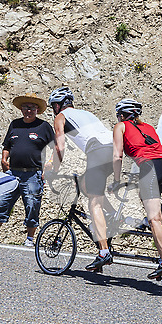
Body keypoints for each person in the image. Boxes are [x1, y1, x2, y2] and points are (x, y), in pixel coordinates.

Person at [48, 87, 115, 272]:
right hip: (113, 150)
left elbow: (59, 146)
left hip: (97, 150)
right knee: (87, 185)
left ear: (57, 105)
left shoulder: (60, 117)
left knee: (93, 204)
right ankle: (110, 213)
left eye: (53, 106)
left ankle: (103, 252)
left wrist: (54, 169)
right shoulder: (85, 113)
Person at [0, 93, 54, 246]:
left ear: (37, 109)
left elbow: (56, 147)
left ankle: (30, 239)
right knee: (2, 202)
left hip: (33, 173)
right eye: (25, 107)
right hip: (13, 173)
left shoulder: (44, 127)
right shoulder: (15, 125)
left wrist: (50, 163)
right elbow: (7, 146)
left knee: (32, 205)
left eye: (31, 108)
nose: (28, 111)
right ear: (21, 109)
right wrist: (4, 159)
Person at [112, 99, 162, 280]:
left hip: (151, 167)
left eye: (118, 116)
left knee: (153, 218)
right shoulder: (148, 127)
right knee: (148, 197)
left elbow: (117, 155)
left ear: (122, 115)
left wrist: (117, 180)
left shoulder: (121, 127)